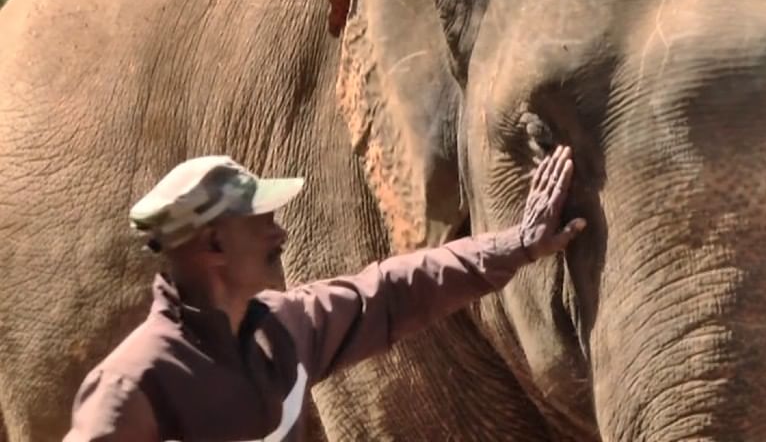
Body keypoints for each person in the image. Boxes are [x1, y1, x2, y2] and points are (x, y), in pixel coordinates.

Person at [63, 145, 585, 441]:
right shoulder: (131, 387)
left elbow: (394, 292)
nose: (281, 235)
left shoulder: (284, 330)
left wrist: (515, 245)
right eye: (262, 223)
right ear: (215, 242)